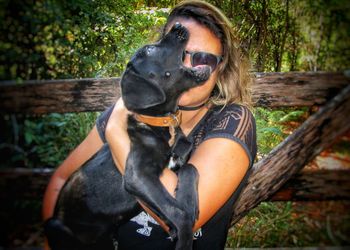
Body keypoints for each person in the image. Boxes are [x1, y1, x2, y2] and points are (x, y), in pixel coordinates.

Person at [42, 0, 257, 249]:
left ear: (220, 69)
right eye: (179, 53)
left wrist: (116, 134)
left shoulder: (231, 120)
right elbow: (61, 180)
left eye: (202, 60)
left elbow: (184, 217)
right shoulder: (128, 114)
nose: (184, 66)